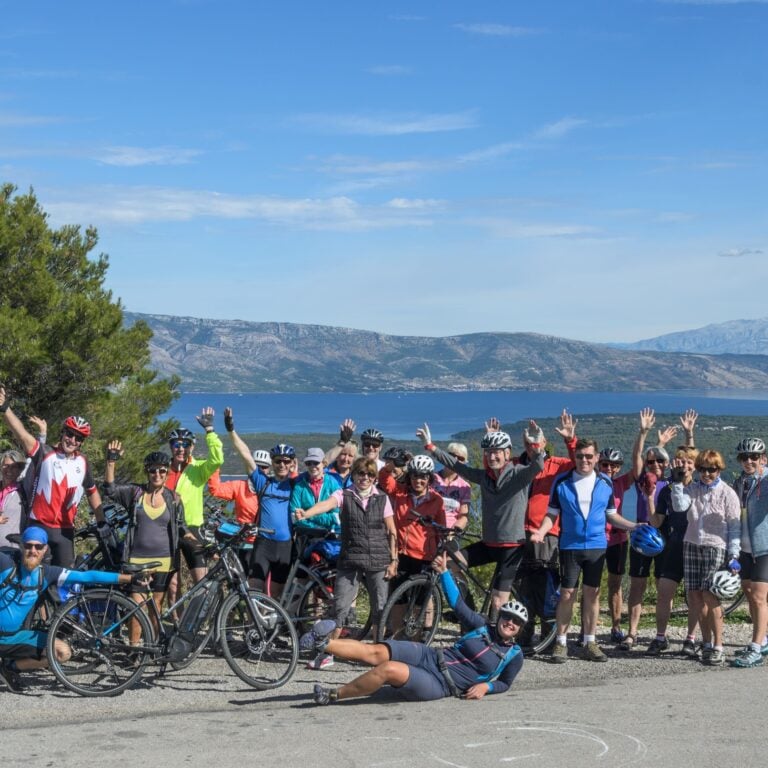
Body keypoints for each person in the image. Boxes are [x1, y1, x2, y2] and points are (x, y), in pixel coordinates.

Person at [302, 552, 526, 705]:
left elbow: (505, 683)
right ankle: (322, 643)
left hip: (441, 683)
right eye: (508, 617)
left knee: (388, 669)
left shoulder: (514, 654)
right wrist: (444, 572)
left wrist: (486, 687)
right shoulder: (483, 627)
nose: (510, 623)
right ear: (501, 617)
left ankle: (333, 695)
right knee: (377, 650)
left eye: (516, 622)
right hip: (431, 656)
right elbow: (458, 604)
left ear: (520, 629)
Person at [530, 438, 642, 663]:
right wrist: (541, 531)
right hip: (570, 546)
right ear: (575, 457)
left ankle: (590, 642)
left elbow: (611, 515)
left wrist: (633, 526)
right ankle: (561, 642)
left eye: (589, 456)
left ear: (596, 458)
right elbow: (552, 513)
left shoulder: (605, 482)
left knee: (592, 594)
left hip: (596, 546)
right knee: (567, 594)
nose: (584, 460)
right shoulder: (562, 481)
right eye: (580, 456)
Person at [417, 422, 544, 616]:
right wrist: (430, 446)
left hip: (511, 548)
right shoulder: (485, 477)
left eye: (496, 452)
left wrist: (536, 445)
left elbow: (538, 465)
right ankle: (468, 610)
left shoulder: (518, 474)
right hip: (489, 544)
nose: (492, 456)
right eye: (488, 453)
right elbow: (457, 466)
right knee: (449, 563)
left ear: (507, 453)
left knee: (498, 602)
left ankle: (498, 633)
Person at [0, 526, 147, 692]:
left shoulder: (47, 574)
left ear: (45, 549)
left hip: (14, 637)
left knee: (63, 653)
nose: (33, 551)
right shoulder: (5, 564)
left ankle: (9, 668)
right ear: (21, 546)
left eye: (38, 547)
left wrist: (129, 578)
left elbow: (88, 576)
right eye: (28, 545)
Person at [295, 456, 399, 653]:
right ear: (354, 475)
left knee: (380, 609)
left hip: (378, 559)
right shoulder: (344, 494)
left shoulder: (382, 498)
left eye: (370, 474)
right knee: (339, 608)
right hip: (350, 558)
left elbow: (392, 531)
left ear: (374, 478)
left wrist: (394, 561)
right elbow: (327, 504)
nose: (365, 478)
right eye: (361, 473)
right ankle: (329, 652)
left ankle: (377, 652)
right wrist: (307, 513)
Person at [0, 387, 104, 566]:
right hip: (38, 525)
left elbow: (92, 491)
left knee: (64, 577)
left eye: (79, 438)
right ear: (63, 433)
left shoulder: (83, 462)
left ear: (82, 442)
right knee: (34, 573)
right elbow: (22, 435)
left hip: (65, 531)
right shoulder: (45, 453)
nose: (73, 440)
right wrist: (5, 408)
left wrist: (102, 521)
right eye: (70, 434)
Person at [103, 445, 189, 639]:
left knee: (155, 607)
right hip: (137, 561)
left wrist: (196, 541)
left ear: (167, 473)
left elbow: (181, 526)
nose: (157, 474)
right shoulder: (135, 493)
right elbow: (110, 490)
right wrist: (111, 461)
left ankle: (153, 646)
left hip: (164, 561)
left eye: (162, 470)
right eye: (152, 470)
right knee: (137, 606)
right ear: (147, 472)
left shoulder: (174, 498)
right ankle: (134, 648)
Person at [682, 450, 741, 666]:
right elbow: (679, 506)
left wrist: (734, 555)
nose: (707, 474)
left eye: (712, 470)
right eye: (703, 469)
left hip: (716, 546)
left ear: (719, 469)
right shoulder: (692, 489)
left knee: (710, 595)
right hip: (691, 544)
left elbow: (734, 526)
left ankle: (718, 646)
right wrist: (679, 482)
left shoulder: (727, 493)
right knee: (695, 596)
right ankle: (706, 643)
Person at [289, 447, 341, 669]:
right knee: (301, 582)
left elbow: (336, 516)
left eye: (316, 463)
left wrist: (311, 514)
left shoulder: (332, 483)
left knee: (324, 585)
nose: (313, 467)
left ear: (324, 464)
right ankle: (301, 626)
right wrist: (321, 517)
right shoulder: (300, 485)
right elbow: (295, 516)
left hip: (327, 540)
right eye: (309, 463)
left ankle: (323, 628)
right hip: (305, 539)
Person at [164, 408, 223, 598]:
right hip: (167, 530)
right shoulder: (162, 471)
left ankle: (204, 616)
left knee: (202, 581)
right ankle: (177, 616)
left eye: (186, 444)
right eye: (176, 444)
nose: (181, 448)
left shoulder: (198, 469)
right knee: (173, 585)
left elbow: (217, 458)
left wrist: (210, 430)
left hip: (193, 528)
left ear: (192, 447)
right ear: (171, 447)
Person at [647, 446, 701, 657]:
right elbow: (656, 521)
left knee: (694, 595)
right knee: (664, 592)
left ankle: (691, 639)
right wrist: (649, 497)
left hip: (696, 547)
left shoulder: (700, 488)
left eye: (689, 462)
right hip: (674, 546)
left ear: (695, 466)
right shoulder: (667, 490)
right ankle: (660, 637)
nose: (684, 466)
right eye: (681, 461)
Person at [731, 437, 768, 667]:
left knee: (758, 597)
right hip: (744, 548)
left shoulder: (766, 480)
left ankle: (755, 648)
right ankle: (763, 639)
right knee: (749, 593)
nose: (749, 461)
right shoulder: (740, 482)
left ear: (763, 458)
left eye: (754, 457)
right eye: (744, 457)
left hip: (764, 548)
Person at [247, 443, 296, 598]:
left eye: (286, 461)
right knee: (254, 589)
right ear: (272, 463)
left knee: (276, 593)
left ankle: (269, 616)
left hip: (285, 547)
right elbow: (245, 455)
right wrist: (231, 431)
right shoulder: (263, 482)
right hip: (264, 544)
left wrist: (341, 443)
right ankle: (252, 615)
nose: (282, 464)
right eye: (278, 461)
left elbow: (321, 464)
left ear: (292, 463)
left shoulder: (296, 485)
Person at [431, 442, 471, 531]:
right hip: (429, 529)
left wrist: (453, 532)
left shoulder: (464, 486)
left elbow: (463, 517)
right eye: (452, 456)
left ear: (464, 463)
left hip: (451, 532)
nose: (454, 460)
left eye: (460, 458)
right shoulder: (431, 479)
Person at [0, 450, 25, 553]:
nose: (9, 470)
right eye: (6, 465)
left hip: (11, 549)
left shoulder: (24, 491)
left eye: (14, 467)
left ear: (20, 470)